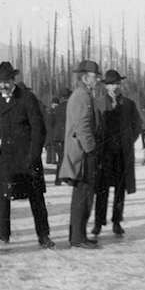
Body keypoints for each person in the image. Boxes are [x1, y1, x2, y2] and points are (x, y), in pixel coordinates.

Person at [0, 62, 53, 249]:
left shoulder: (27, 98)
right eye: (0, 82)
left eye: (6, 81)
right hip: (6, 156)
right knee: (1, 194)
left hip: (27, 155)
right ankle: (2, 232)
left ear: (13, 80)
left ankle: (43, 235)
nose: (3, 85)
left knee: (36, 196)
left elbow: (39, 129)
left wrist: (34, 155)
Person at [92, 69, 142, 237]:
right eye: (110, 84)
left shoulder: (128, 104)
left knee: (120, 189)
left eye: (116, 84)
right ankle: (98, 222)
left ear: (120, 85)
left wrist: (128, 141)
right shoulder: (98, 103)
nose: (113, 87)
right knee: (102, 189)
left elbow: (137, 125)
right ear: (105, 86)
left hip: (121, 154)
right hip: (104, 154)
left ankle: (116, 221)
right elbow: (93, 126)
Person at [59, 60, 102, 249]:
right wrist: (91, 149)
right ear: (85, 77)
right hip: (83, 154)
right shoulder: (82, 96)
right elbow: (82, 125)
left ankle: (78, 235)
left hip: (83, 151)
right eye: (95, 76)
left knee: (83, 195)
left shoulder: (84, 94)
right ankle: (77, 238)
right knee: (83, 195)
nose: (98, 80)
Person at [52, 88, 71, 186]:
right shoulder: (71, 107)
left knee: (60, 158)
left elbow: (52, 122)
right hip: (67, 136)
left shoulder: (57, 108)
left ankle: (58, 179)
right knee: (67, 158)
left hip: (57, 136)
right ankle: (66, 178)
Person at [44, 97, 59, 165]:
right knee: (52, 146)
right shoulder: (53, 111)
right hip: (52, 130)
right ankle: (52, 160)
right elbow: (52, 121)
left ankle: (48, 160)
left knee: (49, 146)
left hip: (48, 130)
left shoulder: (48, 111)